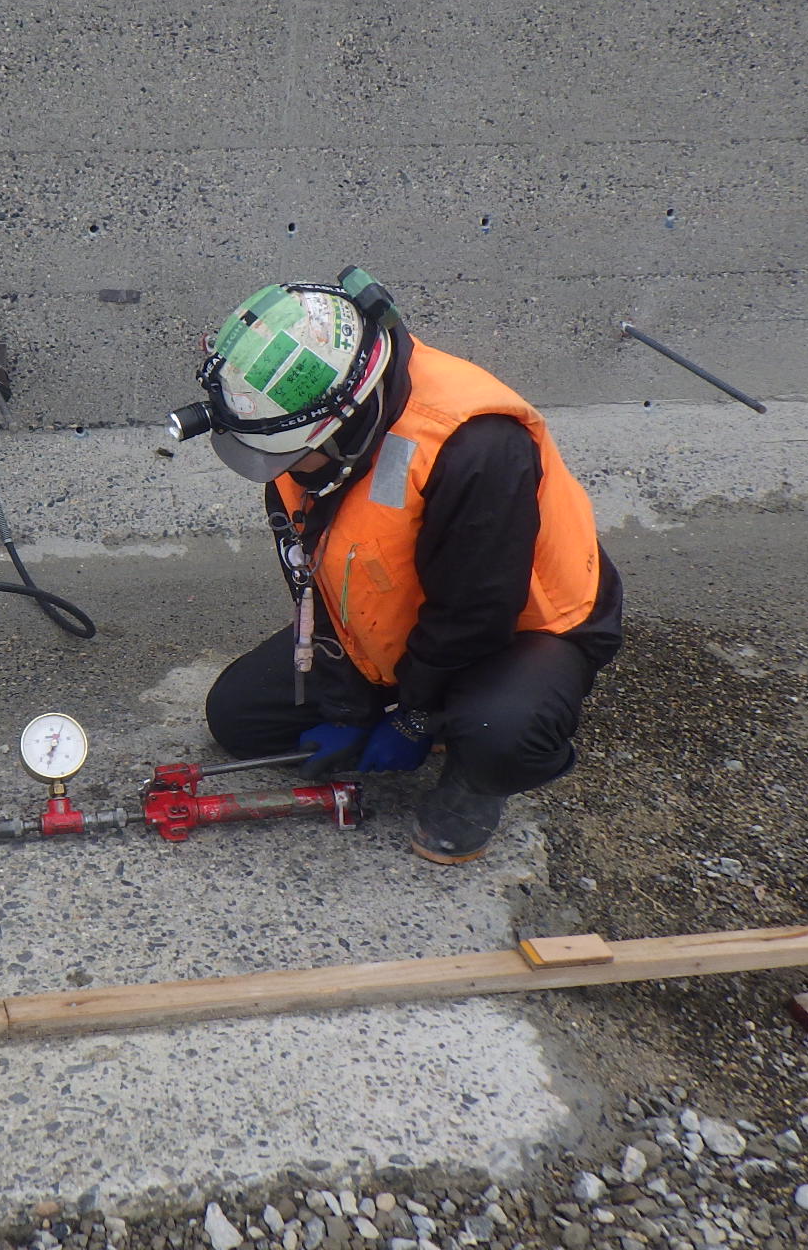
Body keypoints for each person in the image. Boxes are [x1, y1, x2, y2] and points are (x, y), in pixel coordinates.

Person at [166, 270, 622, 864]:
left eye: (285, 453)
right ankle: (427, 712)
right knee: (238, 718)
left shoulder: (476, 446)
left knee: (500, 733)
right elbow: (311, 573)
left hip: (519, 629)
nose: (274, 467)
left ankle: (476, 779)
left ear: (339, 421)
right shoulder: (290, 434)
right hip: (403, 612)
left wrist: (413, 718)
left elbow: (475, 614)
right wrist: (348, 705)